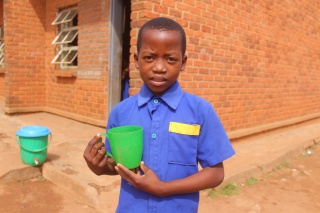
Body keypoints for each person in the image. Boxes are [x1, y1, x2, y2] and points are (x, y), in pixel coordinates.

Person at [84, 17, 235, 213]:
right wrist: (98, 167)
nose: (159, 67)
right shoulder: (120, 113)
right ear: (136, 60)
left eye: (170, 59)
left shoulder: (200, 111)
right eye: (149, 57)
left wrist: (163, 188)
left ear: (183, 62)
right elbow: (118, 165)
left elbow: (215, 173)